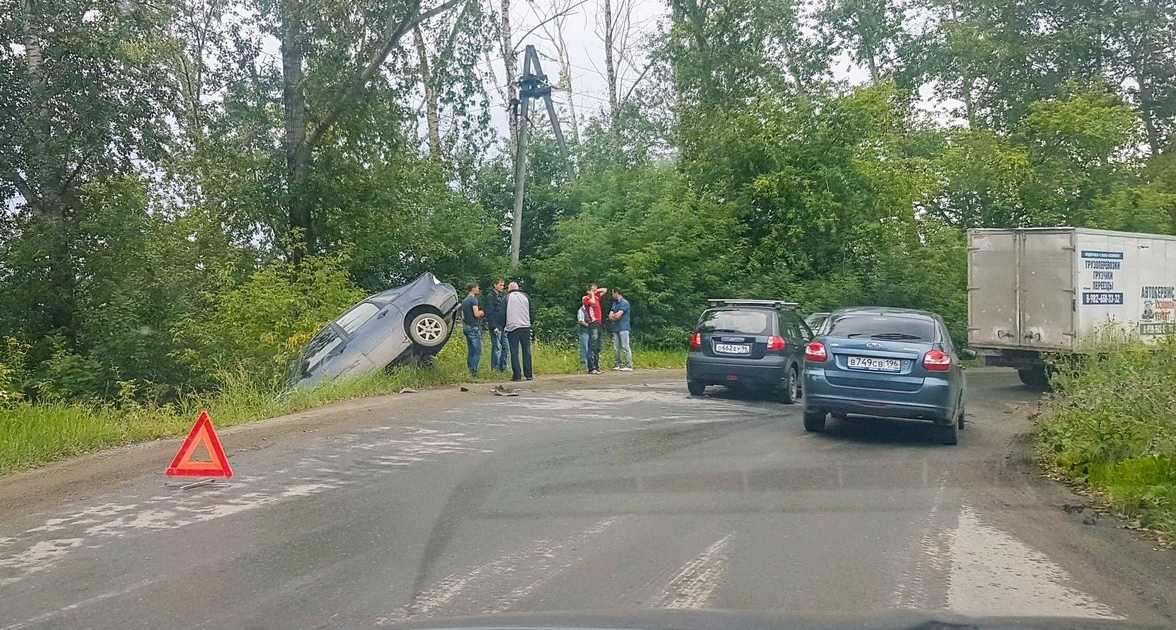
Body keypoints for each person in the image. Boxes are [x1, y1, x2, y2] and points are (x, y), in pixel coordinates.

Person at [504, 281, 534, 381]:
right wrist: (530, 322)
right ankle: (528, 374)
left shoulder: (507, 298)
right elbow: (532, 311)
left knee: (514, 351)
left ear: (509, 289)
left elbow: (502, 312)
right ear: (518, 287)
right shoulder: (526, 296)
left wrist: (502, 325)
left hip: (513, 327)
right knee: (526, 350)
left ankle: (517, 375)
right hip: (525, 326)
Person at [460, 282, 483, 378]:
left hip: (466, 326)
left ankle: (469, 369)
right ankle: (473, 371)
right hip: (473, 326)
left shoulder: (464, 301)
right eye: (477, 288)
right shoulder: (473, 300)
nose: (478, 290)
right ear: (473, 289)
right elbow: (476, 314)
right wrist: (481, 312)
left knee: (471, 350)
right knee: (477, 350)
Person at [583, 283, 607, 374]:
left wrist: (596, 291)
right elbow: (592, 303)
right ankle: (591, 367)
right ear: (588, 291)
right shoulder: (586, 299)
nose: (595, 292)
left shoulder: (596, 297)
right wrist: (592, 294)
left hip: (599, 323)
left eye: (595, 290)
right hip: (593, 323)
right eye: (593, 290)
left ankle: (596, 366)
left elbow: (605, 289)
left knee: (597, 346)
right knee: (592, 345)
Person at [485, 279, 508, 373]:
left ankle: (503, 368)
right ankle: (495, 369)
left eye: (503, 285)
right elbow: (490, 312)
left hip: (503, 326)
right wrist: (493, 326)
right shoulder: (491, 297)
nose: (502, 287)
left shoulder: (501, 297)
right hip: (495, 326)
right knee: (497, 348)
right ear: (495, 285)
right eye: (500, 285)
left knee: (506, 348)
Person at [609, 289, 633, 371]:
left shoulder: (624, 303)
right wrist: (614, 315)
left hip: (623, 327)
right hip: (615, 328)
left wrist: (614, 315)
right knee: (616, 347)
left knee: (625, 346)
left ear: (616, 293)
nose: (612, 295)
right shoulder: (614, 304)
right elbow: (610, 316)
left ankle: (629, 365)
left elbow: (617, 316)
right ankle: (617, 364)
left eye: (613, 293)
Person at [577, 302, 591, 366]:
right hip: (584, 332)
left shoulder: (589, 309)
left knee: (586, 348)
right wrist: (590, 326)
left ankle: (586, 364)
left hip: (588, 332)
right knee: (585, 348)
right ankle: (585, 364)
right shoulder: (581, 310)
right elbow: (581, 321)